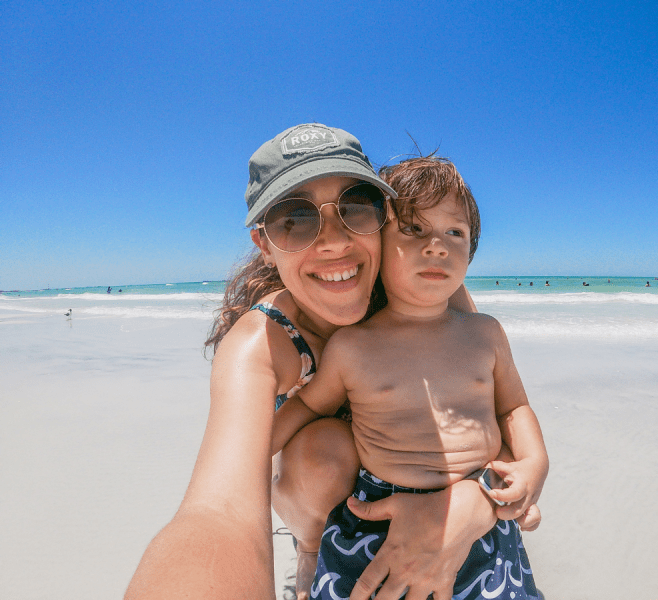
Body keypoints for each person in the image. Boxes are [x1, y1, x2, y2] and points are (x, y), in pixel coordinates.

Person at [126, 124, 505, 600]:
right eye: (295, 220)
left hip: (416, 473)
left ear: (384, 218)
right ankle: (311, 548)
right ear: (265, 245)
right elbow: (217, 511)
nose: (333, 242)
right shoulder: (264, 343)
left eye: (354, 208)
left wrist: (477, 500)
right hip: (324, 484)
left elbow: (493, 408)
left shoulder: (423, 291)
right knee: (323, 453)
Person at [272, 157, 548, 600]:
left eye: (454, 233)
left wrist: (534, 464)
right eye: (414, 230)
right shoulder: (353, 346)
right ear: (377, 246)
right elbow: (307, 407)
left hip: (478, 506)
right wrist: (252, 457)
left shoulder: (485, 334)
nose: (437, 246)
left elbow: (513, 406)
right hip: (374, 514)